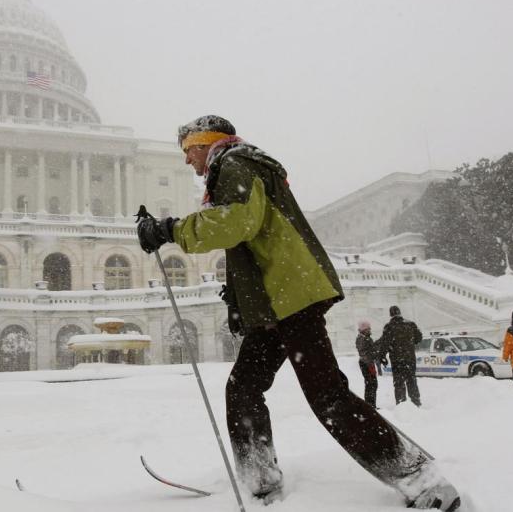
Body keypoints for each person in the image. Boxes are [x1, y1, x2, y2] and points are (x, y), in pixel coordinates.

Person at [135, 115, 460, 510]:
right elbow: (255, 242)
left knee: (327, 396)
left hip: (290, 297)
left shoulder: (234, 164)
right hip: (277, 301)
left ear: (207, 144)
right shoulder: (238, 166)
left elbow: (237, 223)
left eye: (189, 151)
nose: (188, 161)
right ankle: (260, 483)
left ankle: (420, 480)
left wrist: (170, 229)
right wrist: (240, 301)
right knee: (244, 387)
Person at [377, 305, 423, 407]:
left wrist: (382, 356)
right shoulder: (410, 324)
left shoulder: (389, 327)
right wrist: (409, 344)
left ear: (391, 315)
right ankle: (416, 402)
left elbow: (385, 344)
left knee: (399, 382)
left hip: (397, 359)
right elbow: (419, 338)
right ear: (399, 312)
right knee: (411, 380)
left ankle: (402, 404)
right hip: (410, 358)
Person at [355, 320, 381, 408]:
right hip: (367, 364)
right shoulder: (363, 338)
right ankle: (370, 405)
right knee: (371, 384)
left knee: (371, 384)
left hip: (366, 363)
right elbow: (367, 352)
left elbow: (369, 350)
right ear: (363, 330)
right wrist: (376, 350)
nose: (370, 330)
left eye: (369, 328)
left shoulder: (363, 338)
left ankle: (370, 404)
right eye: (368, 329)